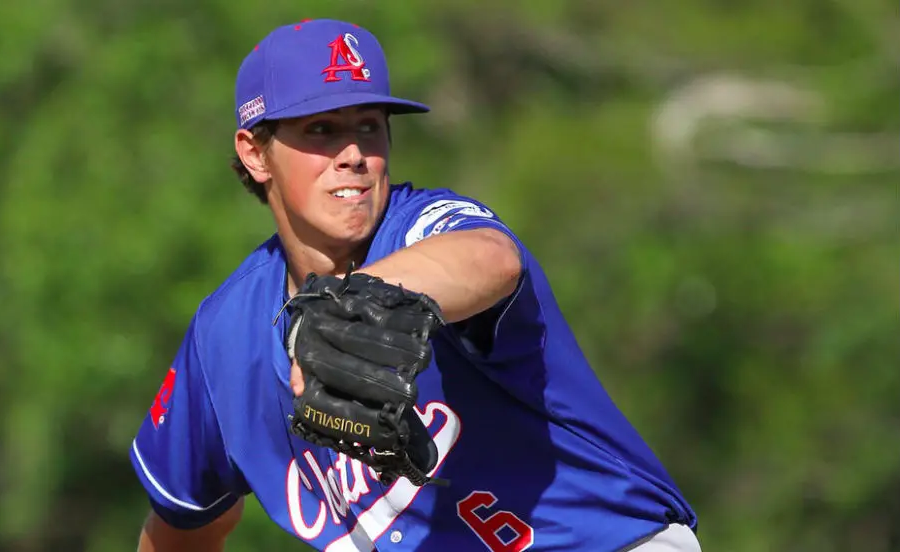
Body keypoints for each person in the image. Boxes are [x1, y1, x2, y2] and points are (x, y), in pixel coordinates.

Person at [129, 18, 701, 552]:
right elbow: (183, 521)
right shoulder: (225, 336)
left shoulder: (421, 225)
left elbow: (491, 260)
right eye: (322, 130)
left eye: (368, 128)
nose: (353, 154)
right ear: (255, 152)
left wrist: (343, 307)